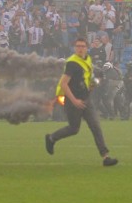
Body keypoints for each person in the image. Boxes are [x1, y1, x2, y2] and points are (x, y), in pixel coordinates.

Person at [46, 37, 119, 167]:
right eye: (78, 46)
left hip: (85, 99)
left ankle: (105, 157)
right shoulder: (72, 63)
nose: (80, 48)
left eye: (82, 46)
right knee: (74, 129)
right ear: (75, 48)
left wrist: (94, 84)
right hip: (72, 101)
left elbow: (89, 79)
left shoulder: (88, 59)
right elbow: (63, 84)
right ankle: (51, 138)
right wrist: (74, 101)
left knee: (95, 126)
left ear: (87, 48)